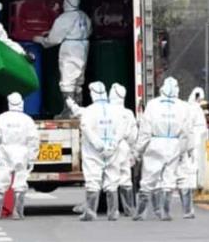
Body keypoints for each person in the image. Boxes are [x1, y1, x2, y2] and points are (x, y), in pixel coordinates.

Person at [133, 77, 190, 221]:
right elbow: (185, 132)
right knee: (169, 179)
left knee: (148, 179)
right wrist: (182, 151)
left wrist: (138, 151)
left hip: (155, 143)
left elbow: (145, 131)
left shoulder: (153, 105)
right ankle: (165, 212)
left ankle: (140, 213)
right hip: (174, 144)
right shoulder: (182, 106)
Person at [33, 0, 92, 118]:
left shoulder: (64, 18)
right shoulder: (83, 15)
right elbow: (87, 29)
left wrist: (40, 40)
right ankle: (78, 109)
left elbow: (53, 39)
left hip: (70, 51)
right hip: (83, 48)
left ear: (67, 2)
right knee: (78, 81)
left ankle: (69, 111)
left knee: (67, 81)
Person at [0, 92, 39, 220]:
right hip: (22, 152)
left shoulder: (2, 118)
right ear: (22, 103)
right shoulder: (27, 119)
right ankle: (18, 212)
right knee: (20, 181)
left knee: (1, 181)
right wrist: (32, 157)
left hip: (5, 152)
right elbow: (34, 139)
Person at [79, 82, 125, 222]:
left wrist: (98, 145)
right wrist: (113, 143)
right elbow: (121, 129)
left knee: (93, 179)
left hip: (94, 151)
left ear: (92, 94)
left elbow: (86, 129)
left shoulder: (89, 111)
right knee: (112, 179)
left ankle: (91, 212)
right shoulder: (116, 111)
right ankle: (113, 212)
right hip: (112, 150)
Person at [176, 87, 208, 219]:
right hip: (196, 140)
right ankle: (194, 190)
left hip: (196, 140)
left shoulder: (192, 108)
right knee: (194, 167)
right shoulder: (194, 109)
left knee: (195, 167)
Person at [109, 83, 138, 217]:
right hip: (125, 146)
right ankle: (129, 209)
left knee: (111, 177)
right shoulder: (128, 113)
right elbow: (133, 134)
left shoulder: (107, 110)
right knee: (126, 177)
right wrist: (133, 151)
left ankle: (113, 210)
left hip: (111, 146)